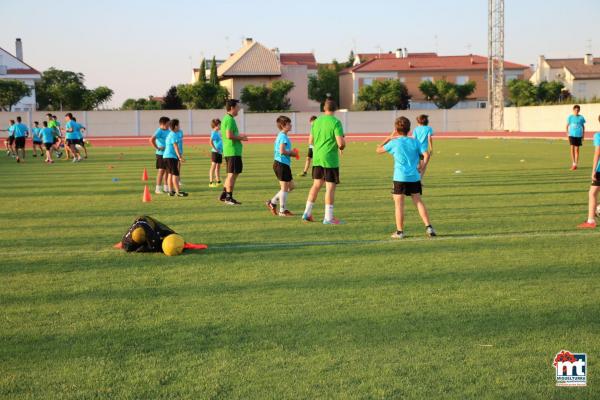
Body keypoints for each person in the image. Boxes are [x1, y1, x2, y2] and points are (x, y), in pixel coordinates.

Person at [376, 116, 436, 239]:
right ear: (409, 129)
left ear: (396, 130)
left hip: (399, 177)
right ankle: (429, 227)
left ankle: (400, 232)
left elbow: (378, 150)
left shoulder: (394, 142)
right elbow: (426, 154)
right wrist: (422, 166)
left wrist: (388, 138)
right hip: (414, 177)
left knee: (399, 205)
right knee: (418, 202)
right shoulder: (415, 141)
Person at [301, 99, 346, 224]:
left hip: (317, 158)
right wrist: (342, 146)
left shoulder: (316, 122)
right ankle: (328, 217)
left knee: (316, 185)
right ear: (335, 109)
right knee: (330, 188)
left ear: (324, 108)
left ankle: (307, 213)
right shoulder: (336, 122)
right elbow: (340, 143)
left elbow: (310, 141)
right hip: (330, 159)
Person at [266, 116, 298, 217]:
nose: (291, 125)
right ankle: (282, 211)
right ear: (283, 125)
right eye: (289, 124)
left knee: (291, 186)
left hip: (283, 164)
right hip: (281, 164)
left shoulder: (282, 135)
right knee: (284, 188)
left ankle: (272, 202)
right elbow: (282, 151)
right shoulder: (283, 136)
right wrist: (292, 153)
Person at [220, 99, 248, 205]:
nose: (239, 109)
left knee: (233, 174)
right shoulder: (229, 119)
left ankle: (224, 194)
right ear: (232, 108)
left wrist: (240, 136)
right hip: (232, 151)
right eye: (237, 107)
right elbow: (229, 135)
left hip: (232, 151)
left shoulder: (228, 119)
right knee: (232, 174)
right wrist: (241, 138)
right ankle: (228, 197)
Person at [578, 116, 600, 229]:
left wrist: (593, 171)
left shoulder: (598, 136)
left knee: (592, 193)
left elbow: (597, 153)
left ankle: (591, 221)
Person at [162, 119, 188, 197]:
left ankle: (171, 191)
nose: (179, 126)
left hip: (166, 157)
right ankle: (177, 192)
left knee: (170, 174)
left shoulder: (171, 134)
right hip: (171, 157)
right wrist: (179, 157)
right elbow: (175, 146)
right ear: (176, 126)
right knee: (175, 174)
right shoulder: (173, 134)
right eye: (179, 125)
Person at [149, 116, 170, 194]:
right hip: (161, 154)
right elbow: (151, 139)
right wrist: (157, 147)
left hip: (168, 153)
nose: (169, 125)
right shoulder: (159, 131)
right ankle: (157, 188)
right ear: (163, 123)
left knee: (168, 171)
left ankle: (166, 187)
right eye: (168, 123)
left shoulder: (168, 130)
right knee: (161, 171)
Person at [566, 104, 586, 170]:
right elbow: (567, 126)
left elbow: (583, 126)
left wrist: (583, 135)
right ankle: (573, 163)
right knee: (572, 148)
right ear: (573, 110)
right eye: (575, 110)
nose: (576, 111)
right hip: (571, 135)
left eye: (578, 110)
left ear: (579, 111)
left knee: (577, 149)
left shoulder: (581, 118)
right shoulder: (570, 117)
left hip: (578, 135)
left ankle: (576, 164)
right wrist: (567, 133)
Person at [208, 118, 223, 188]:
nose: (221, 126)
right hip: (215, 152)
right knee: (213, 167)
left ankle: (218, 181)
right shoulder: (214, 133)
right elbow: (210, 142)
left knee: (218, 167)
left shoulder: (217, 133)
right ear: (216, 125)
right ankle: (211, 182)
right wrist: (215, 149)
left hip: (219, 152)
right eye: (220, 125)